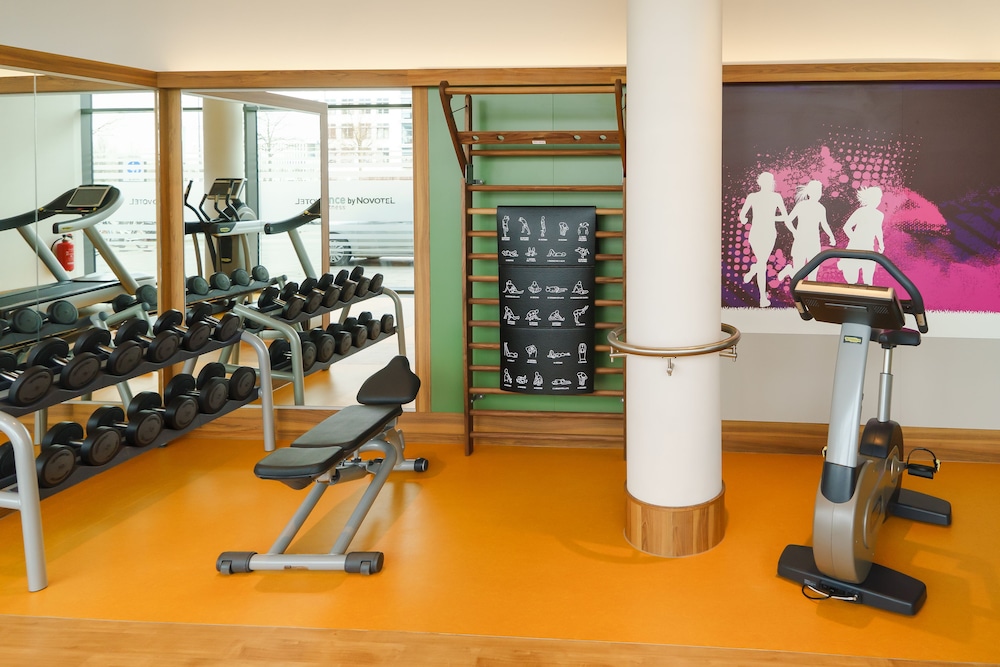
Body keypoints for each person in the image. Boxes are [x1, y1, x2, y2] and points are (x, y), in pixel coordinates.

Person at [739, 172, 788, 307]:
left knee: (761, 263)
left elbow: (785, 216)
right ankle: (762, 298)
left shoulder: (775, 197)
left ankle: (753, 270)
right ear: (760, 182)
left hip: (768, 233)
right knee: (762, 263)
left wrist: (771, 218)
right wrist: (744, 219)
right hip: (758, 233)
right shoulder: (753, 197)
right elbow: (742, 215)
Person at [777, 180, 836, 282]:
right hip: (800, 241)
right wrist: (794, 232)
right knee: (798, 275)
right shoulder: (801, 205)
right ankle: (790, 270)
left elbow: (824, 224)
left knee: (812, 275)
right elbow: (788, 220)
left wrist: (831, 236)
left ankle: (809, 292)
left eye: (819, 191)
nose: (817, 194)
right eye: (815, 191)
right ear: (809, 192)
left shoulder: (821, 208)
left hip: (814, 243)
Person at [839, 186, 885, 285]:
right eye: (876, 198)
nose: (878, 201)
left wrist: (881, 244)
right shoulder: (860, 212)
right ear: (870, 199)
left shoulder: (879, 215)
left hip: (869, 249)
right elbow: (847, 227)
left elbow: (878, 230)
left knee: (868, 280)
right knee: (852, 280)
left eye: (879, 198)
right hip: (854, 249)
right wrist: (855, 240)